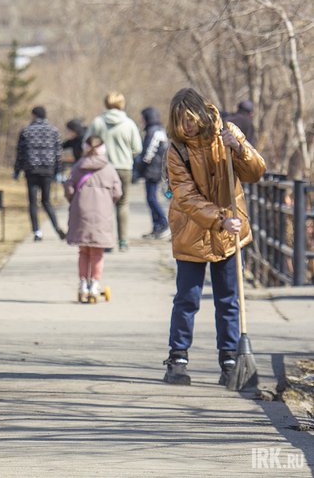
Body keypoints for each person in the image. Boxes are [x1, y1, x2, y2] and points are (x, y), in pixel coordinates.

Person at [162, 87, 266, 387]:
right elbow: (184, 195)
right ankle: (178, 357)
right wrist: (221, 219)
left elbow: (256, 172)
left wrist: (240, 148)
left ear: (202, 114)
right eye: (181, 121)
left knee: (228, 298)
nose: (187, 126)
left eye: (191, 119)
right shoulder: (176, 150)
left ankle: (230, 358)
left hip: (230, 233)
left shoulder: (228, 133)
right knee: (187, 298)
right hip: (192, 232)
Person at [63, 136, 122, 302]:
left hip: (80, 213)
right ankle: (95, 284)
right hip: (102, 214)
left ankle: (82, 284)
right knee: (97, 252)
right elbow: (118, 192)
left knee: (83, 251)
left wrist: (74, 200)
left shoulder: (77, 166)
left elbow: (69, 189)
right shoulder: (109, 169)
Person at [85, 92, 142, 252]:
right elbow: (137, 148)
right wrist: (126, 154)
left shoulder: (98, 122)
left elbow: (87, 143)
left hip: (102, 168)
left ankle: (107, 242)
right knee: (122, 203)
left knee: (105, 205)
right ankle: (123, 241)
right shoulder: (129, 123)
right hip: (124, 168)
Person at [14, 105, 65, 241]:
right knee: (46, 201)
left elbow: (20, 153)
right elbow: (58, 153)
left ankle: (37, 232)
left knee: (32, 202)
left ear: (33, 115)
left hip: (31, 170)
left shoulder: (26, 131)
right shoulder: (53, 131)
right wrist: (59, 171)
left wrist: (17, 170)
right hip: (48, 170)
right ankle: (57, 227)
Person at [137, 106, 170, 239]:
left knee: (152, 198)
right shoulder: (158, 130)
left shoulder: (154, 131)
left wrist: (140, 167)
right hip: (156, 168)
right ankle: (156, 227)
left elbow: (148, 153)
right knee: (151, 198)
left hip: (154, 169)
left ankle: (163, 223)